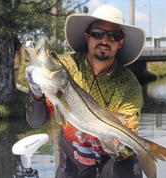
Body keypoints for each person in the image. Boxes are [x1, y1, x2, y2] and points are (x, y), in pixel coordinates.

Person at [25, 4, 146, 178]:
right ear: (87, 36)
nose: (104, 40)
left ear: (120, 42)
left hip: (110, 167)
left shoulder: (129, 85)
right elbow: (36, 121)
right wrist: (36, 92)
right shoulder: (67, 67)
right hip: (71, 169)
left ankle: (144, 151)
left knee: (130, 167)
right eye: (97, 33)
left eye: (113, 36)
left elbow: (127, 143)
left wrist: (121, 145)